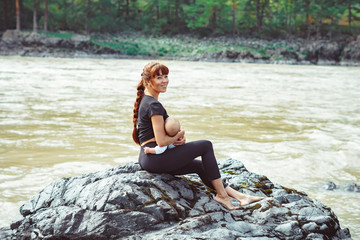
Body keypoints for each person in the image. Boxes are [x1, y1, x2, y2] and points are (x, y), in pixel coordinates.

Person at [132, 62, 263, 210]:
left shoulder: (149, 102)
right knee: (205, 145)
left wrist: (178, 140)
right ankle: (222, 196)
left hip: (150, 158)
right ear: (148, 82)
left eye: (166, 76)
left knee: (200, 166)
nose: (165, 81)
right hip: (155, 158)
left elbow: (159, 138)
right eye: (159, 78)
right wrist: (177, 136)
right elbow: (161, 141)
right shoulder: (153, 105)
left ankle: (240, 197)